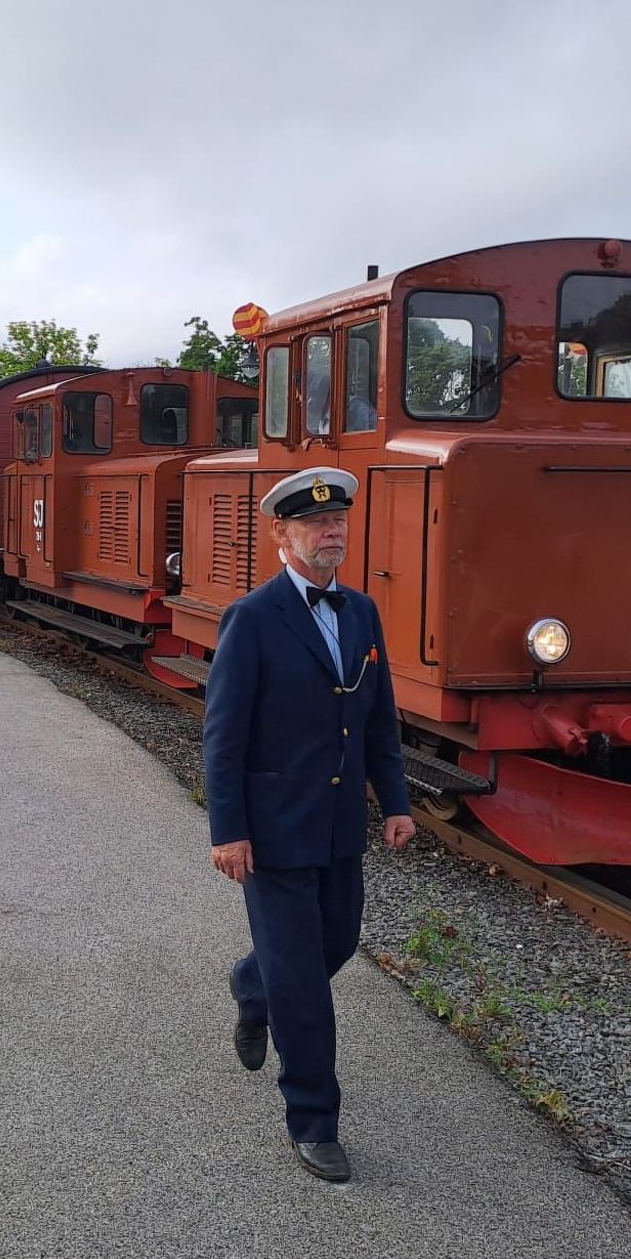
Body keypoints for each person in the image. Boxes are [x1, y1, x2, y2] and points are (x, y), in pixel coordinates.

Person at [201, 466, 415, 1184]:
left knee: (337, 942)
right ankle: (314, 1119)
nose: (332, 532)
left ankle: (250, 985)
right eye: (316, 524)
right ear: (281, 537)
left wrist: (398, 802)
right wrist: (226, 831)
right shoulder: (254, 618)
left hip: (337, 822)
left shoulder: (360, 612)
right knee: (304, 982)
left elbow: (377, 718)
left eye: (339, 522)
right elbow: (223, 736)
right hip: (271, 828)